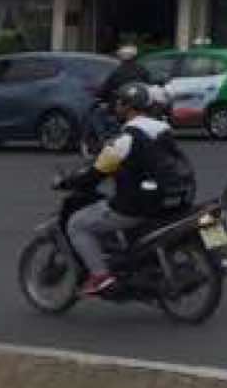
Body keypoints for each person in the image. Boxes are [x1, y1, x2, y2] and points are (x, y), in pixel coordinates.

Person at [68, 81, 193, 297]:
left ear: (127, 107)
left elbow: (97, 171)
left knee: (77, 224)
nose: (116, 107)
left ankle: (100, 277)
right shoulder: (163, 131)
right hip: (178, 198)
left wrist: (72, 181)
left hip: (140, 205)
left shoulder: (126, 138)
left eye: (119, 103)